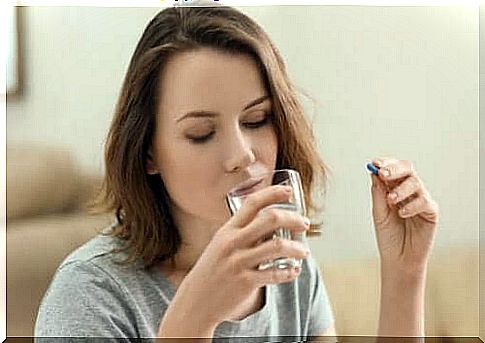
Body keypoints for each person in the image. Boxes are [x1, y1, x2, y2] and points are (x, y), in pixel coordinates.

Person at [34, 3, 439, 341]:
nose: (242, 156)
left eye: (257, 119)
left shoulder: (290, 268)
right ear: (147, 153)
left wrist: (405, 272)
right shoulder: (89, 296)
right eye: (201, 133)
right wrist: (192, 320)